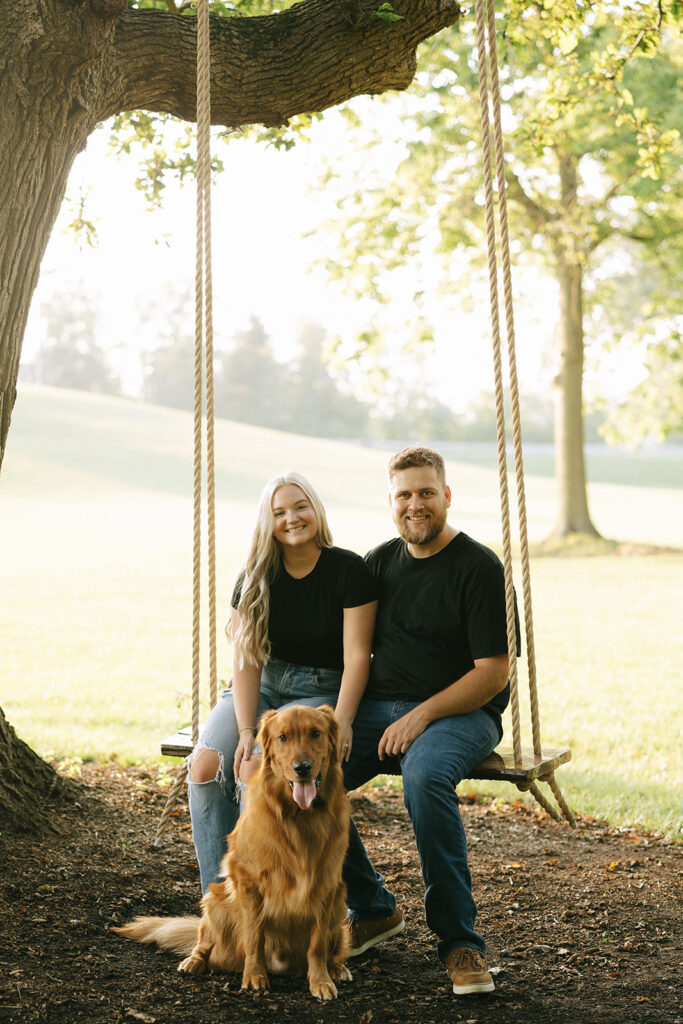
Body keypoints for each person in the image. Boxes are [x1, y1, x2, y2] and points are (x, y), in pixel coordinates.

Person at [341, 445, 517, 997]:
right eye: (403, 495)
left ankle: (460, 942)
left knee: (424, 777)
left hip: (462, 712)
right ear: (390, 502)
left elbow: (492, 672)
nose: (414, 505)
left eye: (425, 493)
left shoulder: (478, 567)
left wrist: (421, 715)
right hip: (379, 708)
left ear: (446, 496)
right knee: (308, 775)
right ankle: (371, 908)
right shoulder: (377, 563)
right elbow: (349, 648)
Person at [187, 471, 377, 895]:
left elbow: (357, 655)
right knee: (205, 766)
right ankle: (221, 904)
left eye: (300, 507)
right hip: (264, 682)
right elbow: (247, 661)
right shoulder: (254, 576)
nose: (292, 518)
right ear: (266, 521)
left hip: (322, 686)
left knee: (254, 768)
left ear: (316, 511)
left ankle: (269, 899)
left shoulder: (349, 570)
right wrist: (245, 730)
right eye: (279, 512)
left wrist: (342, 719)